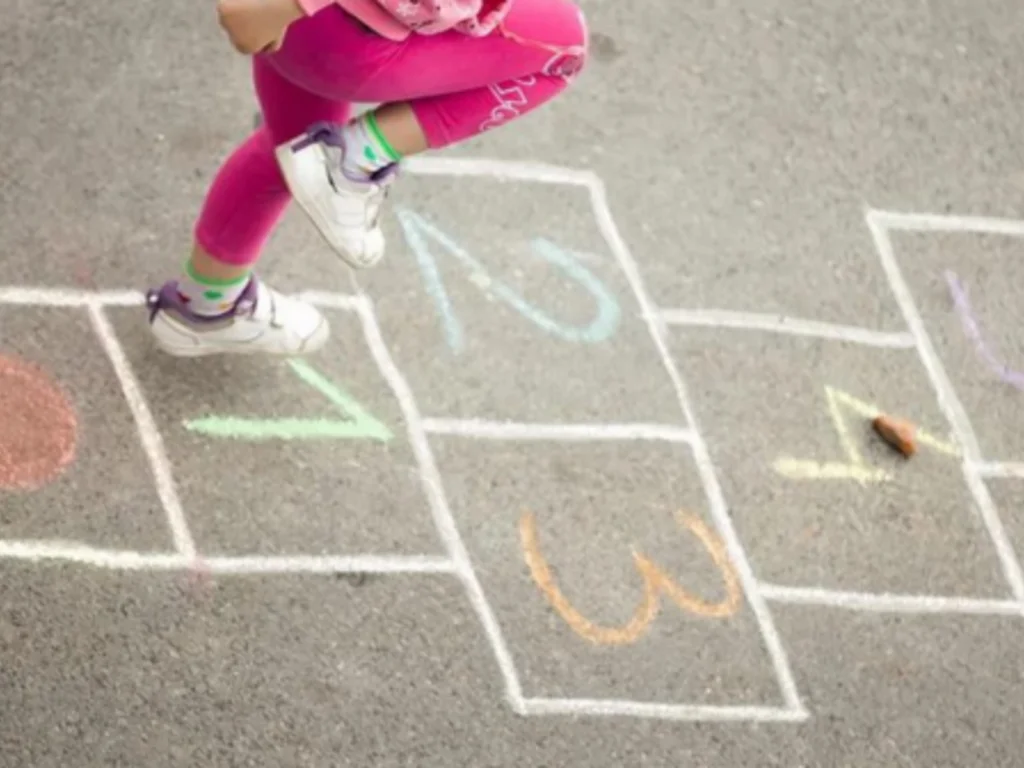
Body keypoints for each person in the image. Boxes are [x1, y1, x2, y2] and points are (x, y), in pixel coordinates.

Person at [146, 0, 589, 357]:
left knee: (295, 150)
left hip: (300, 34)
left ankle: (203, 306)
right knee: (564, 48)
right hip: (345, 35)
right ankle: (353, 161)